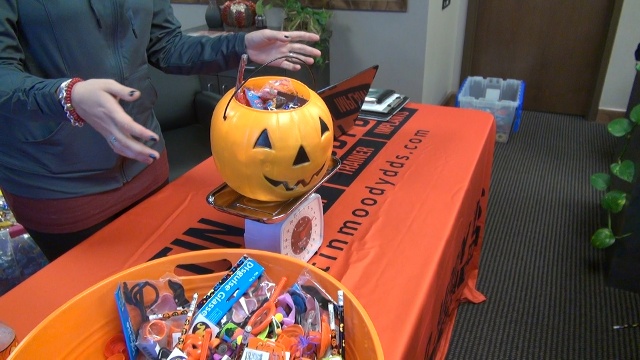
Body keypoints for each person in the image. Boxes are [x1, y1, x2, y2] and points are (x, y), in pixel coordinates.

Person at [0, 2, 321, 261]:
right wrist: (67, 95)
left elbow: (166, 46)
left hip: (146, 167)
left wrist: (240, 45)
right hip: (59, 184)